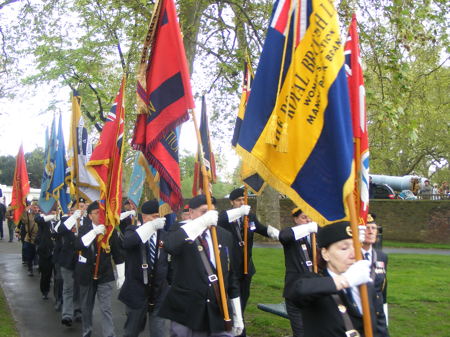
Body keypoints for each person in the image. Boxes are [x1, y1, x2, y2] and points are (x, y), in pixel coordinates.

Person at [159, 194, 244, 337]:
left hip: (217, 309)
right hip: (187, 311)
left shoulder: (224, 235)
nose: (209, 216)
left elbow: (231, 276)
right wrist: (201, 222)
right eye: (204, 212)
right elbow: (170, 245)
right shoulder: (180, 232)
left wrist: (237, 315)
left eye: (212, 212)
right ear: (191, 213)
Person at [285, 221, 380, 337]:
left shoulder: (366, 286)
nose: (354, 254)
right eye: (344, 248)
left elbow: (380, 328)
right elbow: (297, 291)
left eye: (357, 247)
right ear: (325, 254)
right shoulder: (314, 281)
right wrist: (345, 280)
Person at [218, 187, 279, 336]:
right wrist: (239, 212)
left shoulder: (249, 217)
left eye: (243, 200)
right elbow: (221, 219)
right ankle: (236, 330)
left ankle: (239, 323)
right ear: (231, 201)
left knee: (243, 301)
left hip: (246, 268)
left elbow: (261, 229)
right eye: (238, 200)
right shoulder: (226, 218)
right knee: (232, 302)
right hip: (231, 268)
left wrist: (279, 234)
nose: (241, 203)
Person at [119, 199, 170, 337]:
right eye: (154, 216)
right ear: (144, 217)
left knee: (159, 331)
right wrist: (151, 226)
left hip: (159, 291)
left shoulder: (164, 235)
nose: (157, 219)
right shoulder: (133, 230)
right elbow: (128, 243)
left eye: (159, 216)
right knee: (132, 331)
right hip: (137, 291)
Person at [75, 201, 125, 337]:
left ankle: (109, 334)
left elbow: (118, 255)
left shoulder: (110, 231)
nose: (99, 215)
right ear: (90, 216)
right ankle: (87, 331)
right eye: (96, 213)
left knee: (106, 308)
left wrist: (121, 275)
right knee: (86, 307)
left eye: (101, 213)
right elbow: (79, 245)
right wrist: (94, 232)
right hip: (86, 274)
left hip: (105, 274)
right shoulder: (85, 228)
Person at [279, 207, 318, 337]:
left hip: (317, 290)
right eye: (304, 218)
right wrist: (307, 229)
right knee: (301, 333)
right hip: (296, 292)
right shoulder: (292, 236)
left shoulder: (318, 236)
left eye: (310, 217)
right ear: (295, 219)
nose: (308, 220)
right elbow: (283, 236)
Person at [57, 199, 87, 326]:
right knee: (68, 287)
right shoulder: (66, 220)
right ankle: (67, 315)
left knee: (79, 287)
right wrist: (73, 217)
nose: (81, 209)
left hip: (82, 261)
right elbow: (61, 230)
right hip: (67, 259)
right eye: (78, 207)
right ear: (73, 209)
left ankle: (78, 310)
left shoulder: (88, 222)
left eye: (83, 206)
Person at [362, 214, 389, 336]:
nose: (371, 231)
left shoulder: (381, 256)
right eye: (366, 228)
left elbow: (383, 285)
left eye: (373, 228)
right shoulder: (350, 256)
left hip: (377, 312)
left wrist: (384, 308)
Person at [35, 208, 59, 300]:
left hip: (57, 252)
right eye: (52, 211)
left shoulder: (59, 220)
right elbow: (37, 219)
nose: (54, 212)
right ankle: (44, 291)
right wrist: (51, 216)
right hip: (45, 252)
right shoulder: (44, 220)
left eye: (55, 210)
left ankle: (58, 297)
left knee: (58, 277)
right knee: (46, 274)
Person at [18, 200, 40, 276]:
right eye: (34, 207)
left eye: (37, 207)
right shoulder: (28, 215)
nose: (36, 209)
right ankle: (30, 269)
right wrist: (25, 211)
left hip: (39, 238)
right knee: (30, 255)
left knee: (39, 254)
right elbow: (23, 220)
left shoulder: (41, 215)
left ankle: (39, 267)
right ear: (31, 207)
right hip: (30, 238)